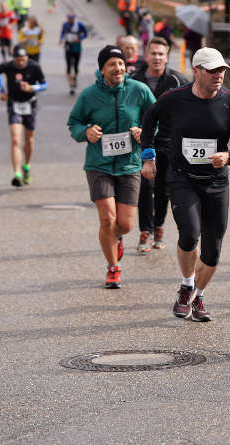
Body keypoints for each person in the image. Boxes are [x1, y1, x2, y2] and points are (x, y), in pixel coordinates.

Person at [140, 47, 230, 321]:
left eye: (222, 70)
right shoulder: (174, 99)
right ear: (197, 71)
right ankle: (186, 284)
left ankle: (198, 296)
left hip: (216, 182)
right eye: (212, 70)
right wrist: (148, 156)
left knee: (213, 249)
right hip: (182, 178)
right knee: (190, 234)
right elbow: (149, 119)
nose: (219, 75)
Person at [67, 45, 156, 288]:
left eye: (120, 64)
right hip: (99, 164)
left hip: (129, 164)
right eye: (111, 65)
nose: (117, 68)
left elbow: (158, 119)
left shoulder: (139, 90)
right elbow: (73, 123)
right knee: (107, 219)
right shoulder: (89, 95)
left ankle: (116, 238)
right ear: (102, 69)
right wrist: (86, 131)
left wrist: (144, 132)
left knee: (125, 224)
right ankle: (113, 267)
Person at [131, 37, 188, 253]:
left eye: (161, 54)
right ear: (146, 55)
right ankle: (144, 231)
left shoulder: (177, 80)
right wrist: (135, 128)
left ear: (167, 56)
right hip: (140, 141)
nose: (157, 57)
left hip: (167, 142)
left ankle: (159, 227)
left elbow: (187, 109)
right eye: (153, 53)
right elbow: (129, 109)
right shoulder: (135, 79)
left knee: (163, 187)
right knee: (145, 187)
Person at [0, 45, 47, 187]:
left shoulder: (34, 67)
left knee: (29, 139)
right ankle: (17, 174)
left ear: (27, 58)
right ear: (14, 59)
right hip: (14, 104)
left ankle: (26, 167)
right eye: (18, 60)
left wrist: (32, 88)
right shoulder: (9, 66)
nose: (21, 63)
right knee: (16, 139)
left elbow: (44, 85)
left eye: (23, 60)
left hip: (30, 104)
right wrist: (2, 89)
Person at [59, 13, 88, 95]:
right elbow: (62, 33)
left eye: (71, 18)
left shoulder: (79, 25)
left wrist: (80, 39)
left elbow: (85, 34)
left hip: (77, 46)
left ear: (74, 18)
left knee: (75, 65)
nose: (70, 20)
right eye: (68, 18)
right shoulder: (65, 24)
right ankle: (70, 84)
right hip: (68, 46)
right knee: (68, 65)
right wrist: (61, 39)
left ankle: (74, 78)